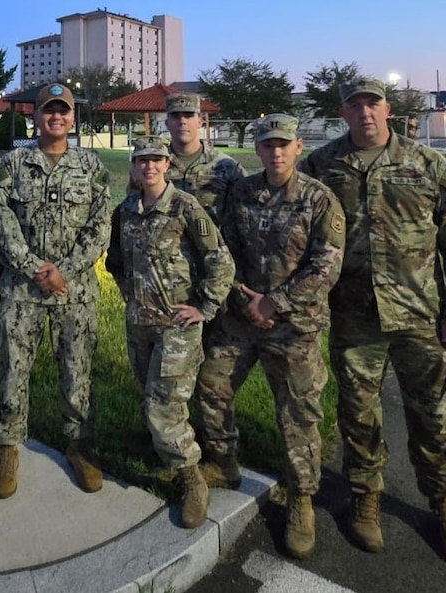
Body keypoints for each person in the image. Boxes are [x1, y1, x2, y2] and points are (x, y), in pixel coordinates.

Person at [300, 77, 446, 567]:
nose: (365, 113)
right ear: (342, 112)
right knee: (359, 415)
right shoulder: (321, 166)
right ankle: (366, 495)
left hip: (419, 317)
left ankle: (445, 504)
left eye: (373, 104)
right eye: (355, 105)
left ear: (389, 110)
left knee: (432, 415)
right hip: (354, 317)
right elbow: (295, 227)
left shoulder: (427, 165)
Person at [218, 114, 344, 557]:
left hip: (295, 323)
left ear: (297, 148)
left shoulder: (318, 199)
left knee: (298, 414)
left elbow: (326, 266)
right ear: (258, 149)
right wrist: (245, 299)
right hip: (243, 314)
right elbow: (224, 250)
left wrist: (275, 303)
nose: (276, 151)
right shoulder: (243, 191)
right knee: (211, 385)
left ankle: (301, 497)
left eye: (283, 144)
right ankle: (225, 464)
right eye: (268, 144)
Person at [0, 83, 111, 499]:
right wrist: (35, 268)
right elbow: (1, 224)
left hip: (74, 293)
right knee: (12, 372)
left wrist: (67, 271)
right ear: (35, 117)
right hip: (21, 292)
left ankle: (79, 445)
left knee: (78, 374)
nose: (55, 117)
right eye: (47, 111)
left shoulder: (90, 166)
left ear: (72, 117)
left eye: (63, 111)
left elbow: (100, 227)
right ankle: (8, 446)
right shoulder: (13, 164)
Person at [106, 135, 235, 528]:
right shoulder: (125, 210)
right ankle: (169, 457)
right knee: (151, 394)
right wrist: (131, 295)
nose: (149, 166)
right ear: (134, 167)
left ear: (167, 166)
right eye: (141, 160)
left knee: (164, 405)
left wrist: (204, 307)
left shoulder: (185, 208)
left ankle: (191, 479)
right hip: (140, 322)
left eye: (156, 160)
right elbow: (115, 262)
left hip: (177, 326)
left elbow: (220, 261)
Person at [139, 93, 248, 489]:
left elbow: (239, 224)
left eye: (189, 115)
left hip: (215, 289)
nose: (182, 122)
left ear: (200, 121)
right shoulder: (154, 162)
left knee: (212, 380)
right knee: (168, 377)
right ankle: (174, 446)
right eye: (175, 115)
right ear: (165, 121)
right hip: (169, 295)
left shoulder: (225, 167)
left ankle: (221, 457)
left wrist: (224, 288)